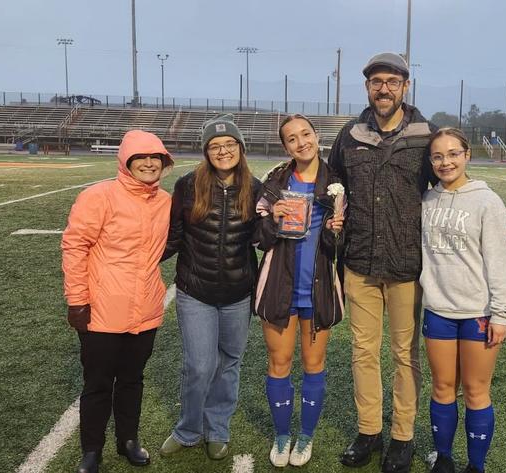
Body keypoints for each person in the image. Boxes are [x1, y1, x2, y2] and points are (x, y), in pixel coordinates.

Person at [328, 51, 436, 473]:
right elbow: (331, 183)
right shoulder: (350, 134)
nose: (384, 89)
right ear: (368, 87)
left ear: (405, 87)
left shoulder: (427, 135)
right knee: (363, 352)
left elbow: (449, 184)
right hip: (360, 261)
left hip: (407, 263)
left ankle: (402, 437)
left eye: (392, 81)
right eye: (377, 82)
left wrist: (489, 217)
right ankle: (369, 429)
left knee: (405, 354)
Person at [61, 130, 175, 473]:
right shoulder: (98, 196)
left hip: (146, 310)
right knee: (97, 384)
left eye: (156, 157)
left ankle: (128, 441)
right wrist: (77, 300)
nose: (149, 163)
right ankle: (91, 451)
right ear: (125, 161)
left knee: (132, 380)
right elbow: (74, 246)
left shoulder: (165, 201)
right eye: (140, 157)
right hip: (102, 310)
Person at [159, 114, 262, 461]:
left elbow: (261, 240)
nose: (223, 151)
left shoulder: (256, 187)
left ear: (240, 148)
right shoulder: (188, 185)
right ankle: (188, 428)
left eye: (229, 144)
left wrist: (281, 223)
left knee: (229, 363)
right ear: (206, 151)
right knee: (199, 365)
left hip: (237, 293)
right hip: (196, 290)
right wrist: (134, 259)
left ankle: (217, 428)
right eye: (215, 146)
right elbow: (174, 236)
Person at [420, 128, 506, 473]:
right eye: (437, 156)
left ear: (467, 156)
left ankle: (476, 466)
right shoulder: (427, 200)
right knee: (443, 386)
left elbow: (501, 260)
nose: (445, 162)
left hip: (478, 312)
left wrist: (501, 313)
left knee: (477, 391)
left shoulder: (487, 201)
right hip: (438, 310)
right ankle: (444, 458)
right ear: (430, 161)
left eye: (452, 154)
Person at [253, 114, 346, 467]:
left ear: (316, 135)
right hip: (279, 286)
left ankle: (305, 435)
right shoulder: (275, 181)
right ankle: (281, 436)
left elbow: (341, 245)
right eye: (292, 138)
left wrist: (337, 230)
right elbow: (258, 238)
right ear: (285, 146)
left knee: (313, 363)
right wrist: (272, 219)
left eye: (305, 134)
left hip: (318, 288)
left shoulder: (335, 183)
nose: (301, 142)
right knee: (279, 362)